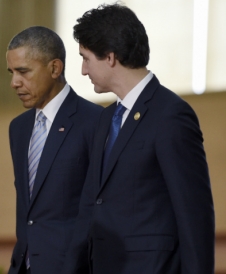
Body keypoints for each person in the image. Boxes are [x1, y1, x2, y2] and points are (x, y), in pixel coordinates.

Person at [62, 3, 215, 274]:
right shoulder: (105, 119)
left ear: (109, 57)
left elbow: (194, 215)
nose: (84, 70)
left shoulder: (171, 115)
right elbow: (89, 206)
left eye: (85, 58)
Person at [6, 26, 103, 274]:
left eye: (23, 72)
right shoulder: (18, 128)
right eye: (12, 72)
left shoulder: (96, 122)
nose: (14, 82)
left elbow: (98, 209)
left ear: (55, 68)